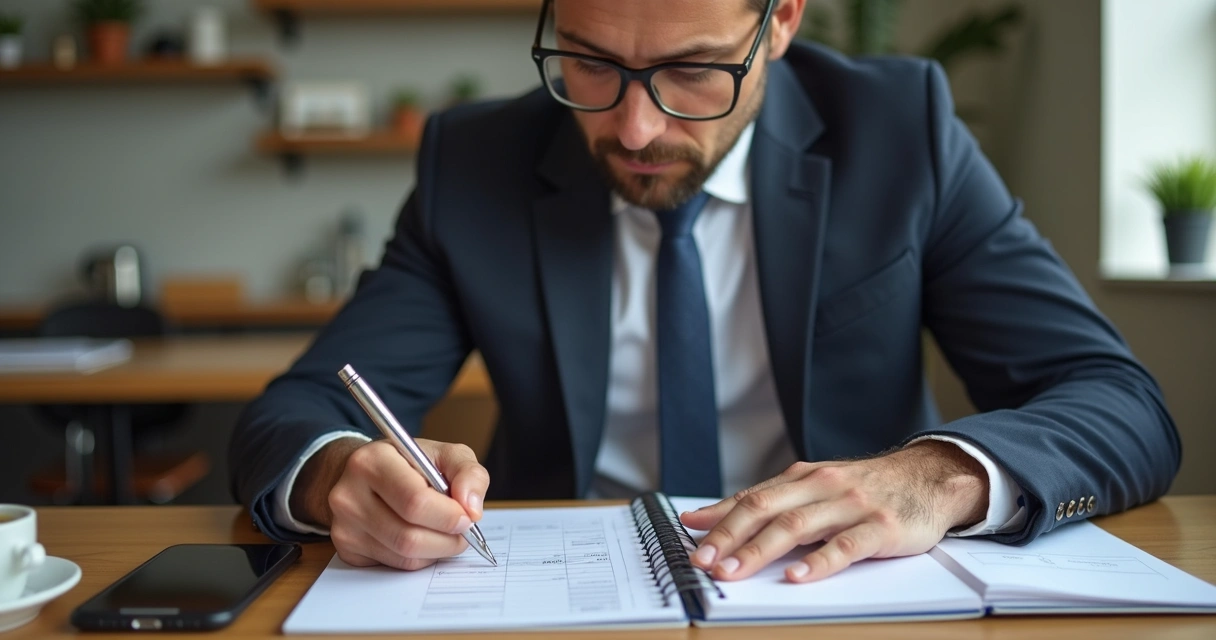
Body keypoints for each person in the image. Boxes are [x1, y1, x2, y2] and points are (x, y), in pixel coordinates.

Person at [229, 0, 1180, 584]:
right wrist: (336, 476)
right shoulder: (474, 164)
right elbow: (300, 410)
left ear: (783, 22)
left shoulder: (902, 134)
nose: (635, 129)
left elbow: (1119, 403)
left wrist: (934, 477)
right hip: (554, 605)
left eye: (691, 72)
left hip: (843, 604)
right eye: (592, 63)